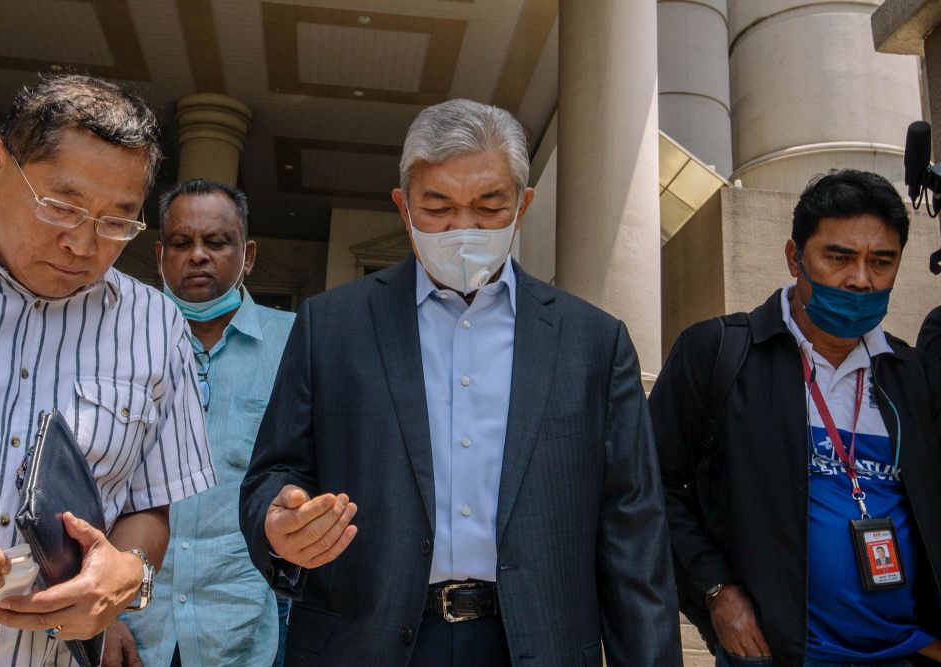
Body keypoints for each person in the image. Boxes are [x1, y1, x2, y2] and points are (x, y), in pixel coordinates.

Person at [239, 98, 681, 666]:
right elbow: (273, 472)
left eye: (489, 206)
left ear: (522, 205)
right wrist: (277, 521)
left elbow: (633, 529)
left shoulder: (593, 342)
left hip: (535, 644)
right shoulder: (333, 326)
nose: (462, 228)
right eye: (438, 206)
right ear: (403, 207)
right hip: (363, 640)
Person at [0, 75, 214, 666]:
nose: (83, 244)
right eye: (61, 206)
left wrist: (127, 575)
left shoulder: (155, 325)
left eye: (117, 220)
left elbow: (149, 502)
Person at [650, 170, 941, 666]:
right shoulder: (719, 353)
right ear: (794, 258)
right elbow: (651, 485)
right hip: (783, 655)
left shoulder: (910, 374)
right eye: (838, 256)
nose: (860, 279)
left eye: (881, 261)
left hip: (908, 653)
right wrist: (714, 590)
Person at [106, 179, 294, 666]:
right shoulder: (117, 342)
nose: (198, 256)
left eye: (216, 242)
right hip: (131, 625)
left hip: (243, 628)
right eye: (182, 243)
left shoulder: (295, 344)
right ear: (159, 253)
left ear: (247, 255)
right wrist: (101, 615)